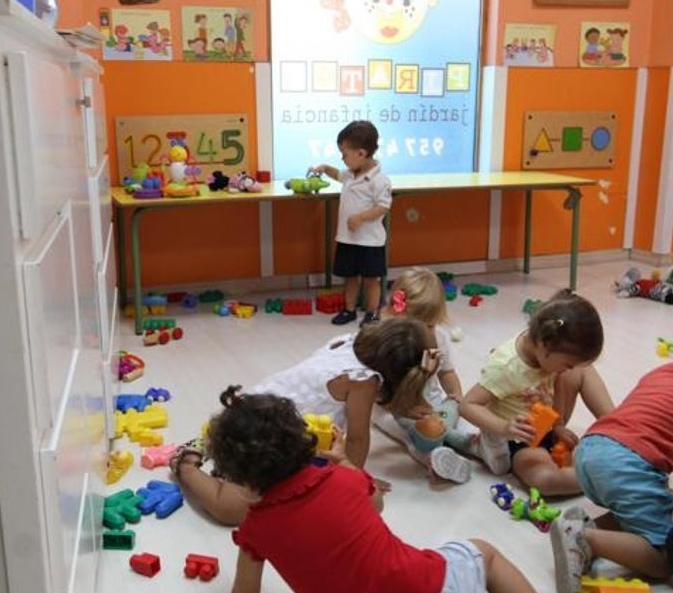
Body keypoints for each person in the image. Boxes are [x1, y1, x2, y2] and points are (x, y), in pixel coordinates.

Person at [208, 389, 539, 593]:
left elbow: (245, 590)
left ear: (242, 477)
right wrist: (346, 462)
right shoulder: (342, 480)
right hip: (425, 584)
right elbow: (376, 503)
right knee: (483, 552)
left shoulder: (257, 529)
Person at [171, 317, 437, 526]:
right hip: (264, 434)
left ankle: (211, 442)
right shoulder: (363, 381)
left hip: (256, 408)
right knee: (233, 509)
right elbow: (357, 438)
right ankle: (186, 463)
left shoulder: (350, 342)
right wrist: (356, 480)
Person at [549, 325, 673, 593]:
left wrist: (663, 494)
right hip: (626, 464)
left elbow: (652, 429)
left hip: (592, 447)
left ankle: (583, 524)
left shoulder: (662, 373)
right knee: (664, 556)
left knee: (641, 509)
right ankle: (584, 540)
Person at [458, 290, 615, 496]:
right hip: (521, 439)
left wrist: (557, 426)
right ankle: (604, 478)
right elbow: (467, 405)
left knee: (582, 369)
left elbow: (562, 378)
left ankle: (617, 430)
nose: (569, 369)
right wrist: (505, 427)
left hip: (549, 421)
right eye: (567, 364)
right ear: (544, 345)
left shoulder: (549, 352)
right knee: (545, 481)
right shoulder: (506, 366)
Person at [375, 266, 477, 484]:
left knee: (456, 418)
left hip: (434, 402)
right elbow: (379, 393)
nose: (425, 333)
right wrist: (406, 410)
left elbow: (447, 372)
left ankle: (476, 446)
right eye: (417, 327)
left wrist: (455, 394)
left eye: (430, 325)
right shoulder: (387, 342)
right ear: (397, 312)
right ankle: (433, 458)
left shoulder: (439, 337)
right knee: (413, 434)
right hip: (394, 409)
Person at [308, 120, 392, 327]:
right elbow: (337, 174)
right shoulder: (350, 174)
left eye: (344, 153)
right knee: (350, 277)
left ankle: (372, 313)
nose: (342, 158)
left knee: (371, 280)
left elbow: (383, 206)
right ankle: (349, 309)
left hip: (370, 242)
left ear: (361, 154)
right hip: (348, 239)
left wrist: (361, 217)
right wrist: (325, 168)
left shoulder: (379, 180)